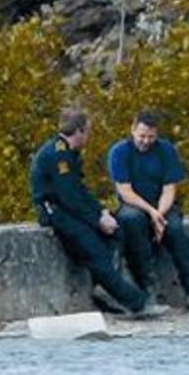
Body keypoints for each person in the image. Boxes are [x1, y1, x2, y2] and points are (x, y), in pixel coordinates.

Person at [29, 108, 164, 318]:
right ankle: (136, 303)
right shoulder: (59, 155)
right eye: (87, 131)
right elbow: (68, 196)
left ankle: (106, 286)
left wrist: (102, 212)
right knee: (95, 251)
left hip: (70, 208)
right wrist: (96, 220)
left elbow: (79, 190)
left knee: (117, 232)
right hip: (55, 211)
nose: (88, 136)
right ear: (80, 131)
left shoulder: (69, 152)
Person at [108, 111, 189, 310]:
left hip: (163, 204)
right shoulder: (119, 152)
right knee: (131, 222)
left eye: (151, 137)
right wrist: (152, 213)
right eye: (142, 136)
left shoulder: (166, 150)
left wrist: (159, 215)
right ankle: (148, 286)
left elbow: (169, 188)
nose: (146, 141)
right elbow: (125, 191)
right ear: (133, 130)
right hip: (134, 204)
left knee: (175, 230)